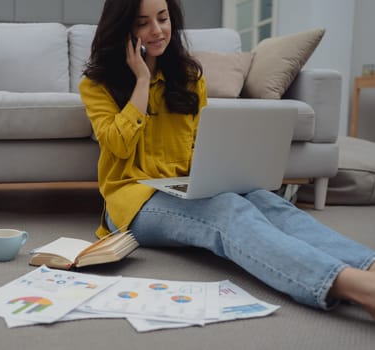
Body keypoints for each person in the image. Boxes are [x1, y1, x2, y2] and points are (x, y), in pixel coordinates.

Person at [79, 0, 375, 320]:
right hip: (134, 200)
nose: (157, 30)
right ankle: (354, 286)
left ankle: (368, 264)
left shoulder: (189, 76)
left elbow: (201, 146)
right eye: (143, 23)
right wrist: (141, 81)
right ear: (124, 30)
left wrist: (225, 172)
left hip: (187, 187)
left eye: (163, 19)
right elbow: (118, 146)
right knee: (227, 211)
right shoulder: (97, 85)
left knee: (267, 201)